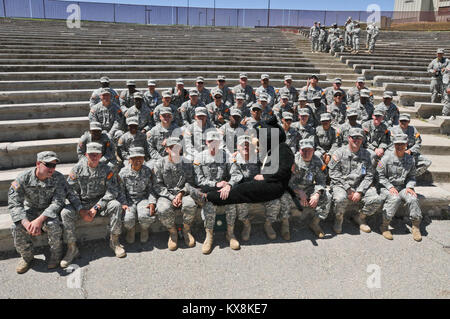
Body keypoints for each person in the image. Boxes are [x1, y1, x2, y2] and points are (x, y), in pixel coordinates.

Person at [61, 143, 125, 268]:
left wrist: (97, 207)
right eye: (91, 155)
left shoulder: (107, 169)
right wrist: (80, 210)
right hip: (82, 203)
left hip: (100, 203)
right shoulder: (77, 169)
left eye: (97, 155)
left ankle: (115, 241)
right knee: (65, 212)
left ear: (101, 155)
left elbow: (112, 191)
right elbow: (70, 192)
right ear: (86, 155)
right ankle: (72, 248)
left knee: (116, 205)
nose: (94, 157)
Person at [8, 151, 65, 273]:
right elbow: (14, 204)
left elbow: (58, 202)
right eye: (48, 165)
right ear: (38, 164)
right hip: (31, 210)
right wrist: (26, 223)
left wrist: (39, 221)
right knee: (16, 226)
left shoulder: (58, 178)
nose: (51, 169)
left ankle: (56, 254)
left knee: (53, 224)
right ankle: (27, 257)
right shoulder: (23, 178)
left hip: (48, 211)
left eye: (54, 165)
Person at [328, 128, 384, 234]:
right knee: (340, 199)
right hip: (341, 185)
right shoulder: (339, 153)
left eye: (359, 138)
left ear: (362, 139)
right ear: (349, 138)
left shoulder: (369, 155)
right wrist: (348, 189)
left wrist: (360, 191)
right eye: (354, 137)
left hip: (360, 185)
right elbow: (333, 173)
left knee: (376, 200)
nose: (356, 140)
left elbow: (369, 175)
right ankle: (339, 219)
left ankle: (360, 217)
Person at [192, 131, 240, 254]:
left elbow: (236, 174)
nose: (213, 144)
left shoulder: (226, 156)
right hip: (209, 190)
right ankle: (209, 236)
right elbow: (198, 180)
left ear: (219, 143)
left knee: (231, 201)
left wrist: (229, 185)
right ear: (206, 142)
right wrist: (215, 184)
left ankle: (230, 233)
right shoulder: (199, 158)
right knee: (209, 203)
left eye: (216, 142)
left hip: (224, 189)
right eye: (210, 141)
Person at [280, 139, 330, 238]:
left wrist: (317, 194)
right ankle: (285, 224)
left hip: (308, 188)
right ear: (299, 150)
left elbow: (321, 181)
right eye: (304, 150)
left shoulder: (318, 161)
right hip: (293, 188)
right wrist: (299, 191)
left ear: (314, 150)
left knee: (327, 196)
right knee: (283, 196)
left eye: (309, 150)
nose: (306, 153)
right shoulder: (292, 161)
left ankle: (315, 223)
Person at [154, 137, 198, 251]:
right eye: (171, 147)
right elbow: (158, 185)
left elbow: (190, 182)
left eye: (177, 147)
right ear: (167, 149)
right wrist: (172, 197)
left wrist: (181, 193)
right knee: (162, 208)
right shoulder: (159, 163)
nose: (175, 150)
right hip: (166, 194)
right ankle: (172, 232)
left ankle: (186, 230)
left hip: (184, 193)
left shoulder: (187, 163)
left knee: (190, 205)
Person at [377, 134, 423, 241]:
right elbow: (379, 176)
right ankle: (384, 225)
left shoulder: (410, 159)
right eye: (397, 144)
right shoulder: (385, 158)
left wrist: (410, 187)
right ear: (394, 145)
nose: (400, 146)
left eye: (402, 144)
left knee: (413, 198)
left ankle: (415, 226)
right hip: (387, 187)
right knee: (395, 198)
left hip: (403, 187)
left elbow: (412, 176)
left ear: (406, 145)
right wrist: (390, 187)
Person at [118, 147, 157, 244]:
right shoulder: (123, 172)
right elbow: (120, 190)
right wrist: (123, 203)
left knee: (145, 215)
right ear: (130, 160)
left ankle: (144, 229)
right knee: (127, 219)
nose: (137, 161)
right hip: (129, 200)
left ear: (143, 159)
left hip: (143, 199)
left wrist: (152, 202)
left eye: (140, 158)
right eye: (134, 158)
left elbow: (151, 189)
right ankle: (131, 230)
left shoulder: (147, 171)